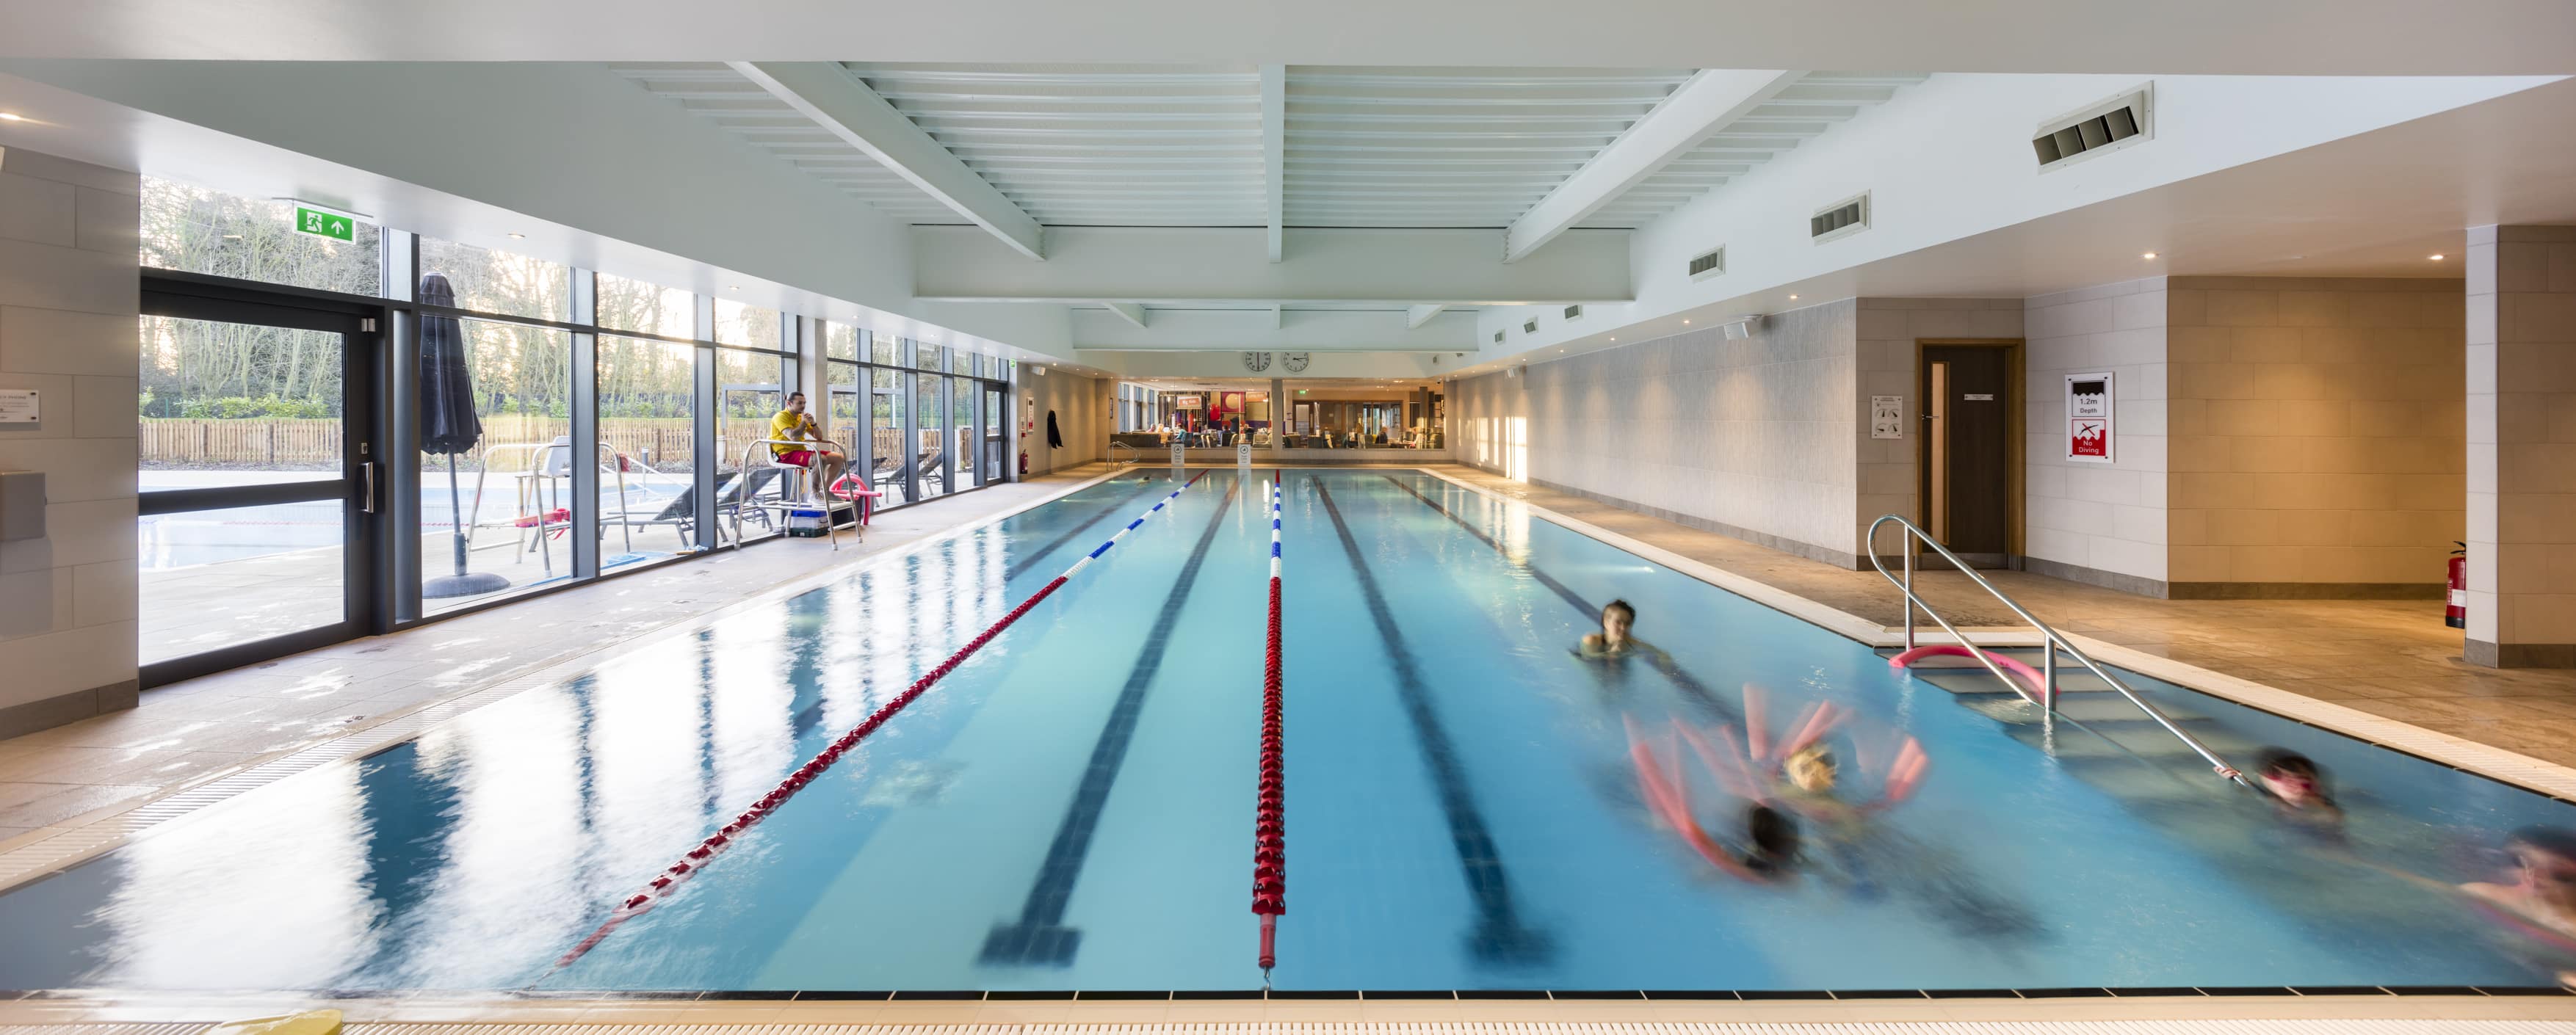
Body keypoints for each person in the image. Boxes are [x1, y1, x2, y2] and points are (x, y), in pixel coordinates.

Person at [767, 391, 847, 491]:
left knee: (839, 458)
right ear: (789, 403)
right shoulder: (780, 417)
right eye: (799, 403)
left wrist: (813, 424)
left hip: (800, 451)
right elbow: (793, 437)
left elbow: (819, 437)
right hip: (784, 454)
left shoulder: (800, 418)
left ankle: (825, 491)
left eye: (804, 403)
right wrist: (804, 423)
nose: (803, 406)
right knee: (821, 459)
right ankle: (815, 493)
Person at [2253, 749, 2344, 829]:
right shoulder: (2269, 804)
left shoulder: (2328, 817)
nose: (2292, 783)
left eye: (2302, 778)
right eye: (2275, 773)